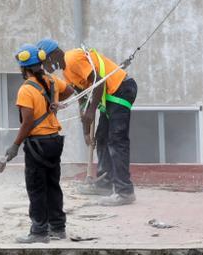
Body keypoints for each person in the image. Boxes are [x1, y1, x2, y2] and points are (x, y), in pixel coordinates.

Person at [38, 39, 137, 206]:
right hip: (111, 96)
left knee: (116, 140)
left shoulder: (72, 59)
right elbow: (83, 99)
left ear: (53, 55)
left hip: (120, 89)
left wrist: (91, 112)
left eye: (45, 63)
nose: (46, 69)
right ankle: (105, 184)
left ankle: (124, 191)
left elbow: (100, 82)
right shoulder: (67, 72)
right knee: (102, 138)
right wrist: (85, 130)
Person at [1, 43, 73, 243]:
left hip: (37, 145)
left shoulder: (26, 90)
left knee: (36, 187)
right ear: (40, 63)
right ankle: (58, 228)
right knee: (52, 185)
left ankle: (39, 232)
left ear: (24, 68)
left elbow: (28, 122)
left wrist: (15, 145)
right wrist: (54, 103)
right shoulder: (52, 81)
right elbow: (69, 90)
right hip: (54, 142)